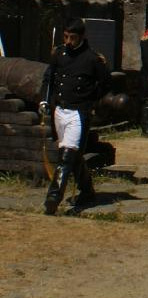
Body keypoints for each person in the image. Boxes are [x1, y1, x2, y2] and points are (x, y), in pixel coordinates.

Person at [39, 18, 111, 215]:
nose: (68, 41)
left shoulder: (92, 59)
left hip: (79, 113)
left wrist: (90, 101)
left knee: (66, 157)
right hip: (60, 110)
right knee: (75, 156)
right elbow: (49, 77)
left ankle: (52, 200)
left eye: (72, 37)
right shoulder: (59, 54)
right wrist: (44, 100)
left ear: (81, 37)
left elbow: (105, 83)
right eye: (66, 37)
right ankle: (87, 191)